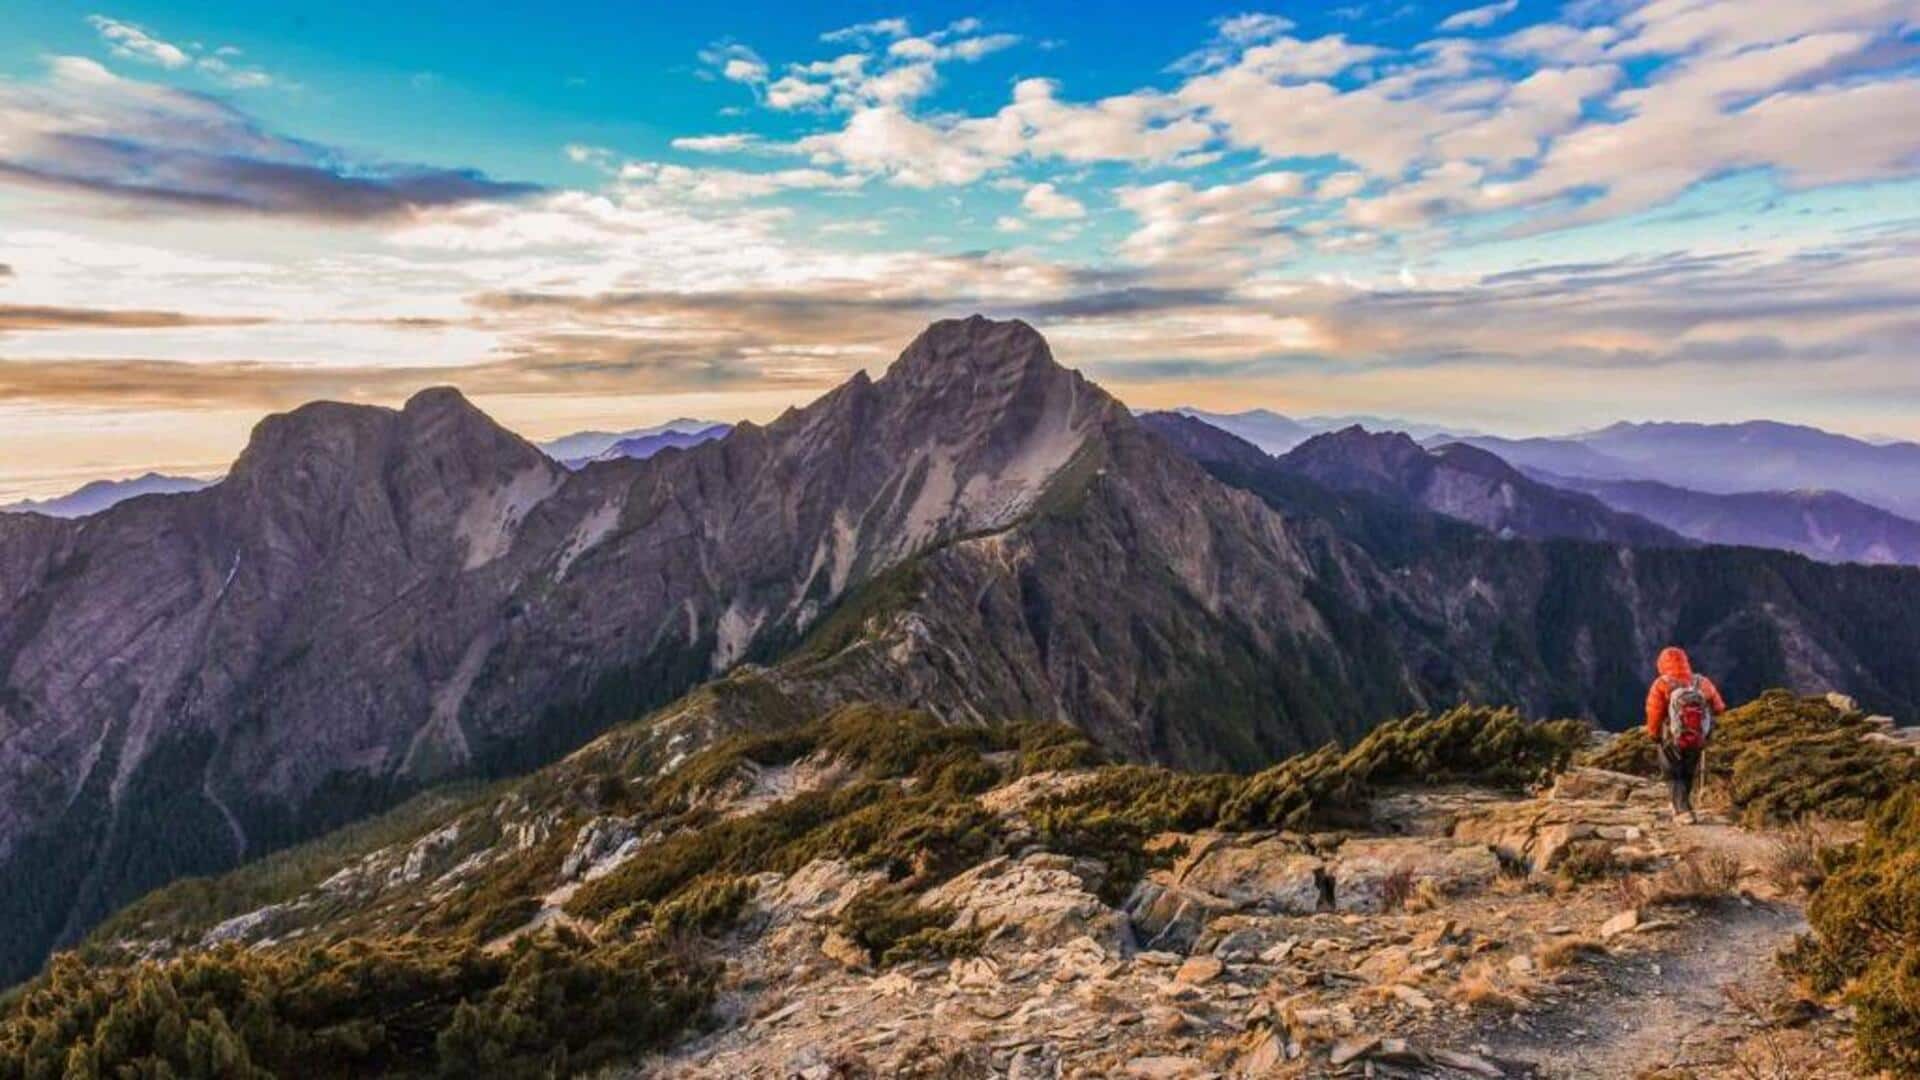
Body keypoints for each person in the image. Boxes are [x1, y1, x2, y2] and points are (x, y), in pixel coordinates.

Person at [1644, 646, 1726, 824]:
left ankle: (1682, 811)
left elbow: (1654, 713)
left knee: (1673, 773)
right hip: (1698, 737)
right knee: (1688, 771)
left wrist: (1654, 734)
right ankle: (1682, 805)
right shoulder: (1701, 682)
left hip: (1671, 738)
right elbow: (1719, 707)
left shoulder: (1662, 684)